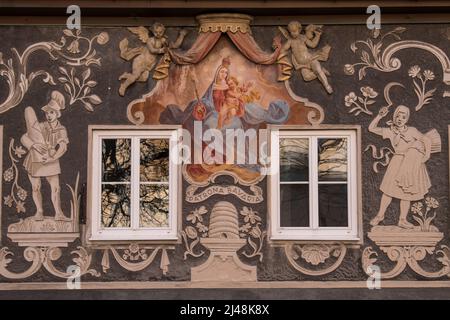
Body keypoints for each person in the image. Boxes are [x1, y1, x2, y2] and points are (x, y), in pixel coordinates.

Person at [369, 105, 432, 229]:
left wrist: (427, 155)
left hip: (410, 163)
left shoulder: (412, 130)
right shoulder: (390, 131)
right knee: (388, 190)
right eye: (398, 116)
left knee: (406, 192)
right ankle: (380, 215)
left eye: (403, 117)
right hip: (397, 161)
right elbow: (371, 128)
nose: (400, 119)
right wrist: (380, 115)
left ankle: (402, 219)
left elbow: (426, 140)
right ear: (394, 116)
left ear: (407, 119)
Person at [21, 91, 70, 221]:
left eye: (52, 112)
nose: (48, 115)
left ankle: (58, 213)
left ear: (57, 114)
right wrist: (33, 145)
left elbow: (63, 147)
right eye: (47, 112)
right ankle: (39, 211)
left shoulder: (62, 129)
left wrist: (52, 158)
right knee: (36, 187)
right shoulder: (40, 126)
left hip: (51, 159)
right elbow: (24, 137)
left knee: (56, 188)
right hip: (35, 158)